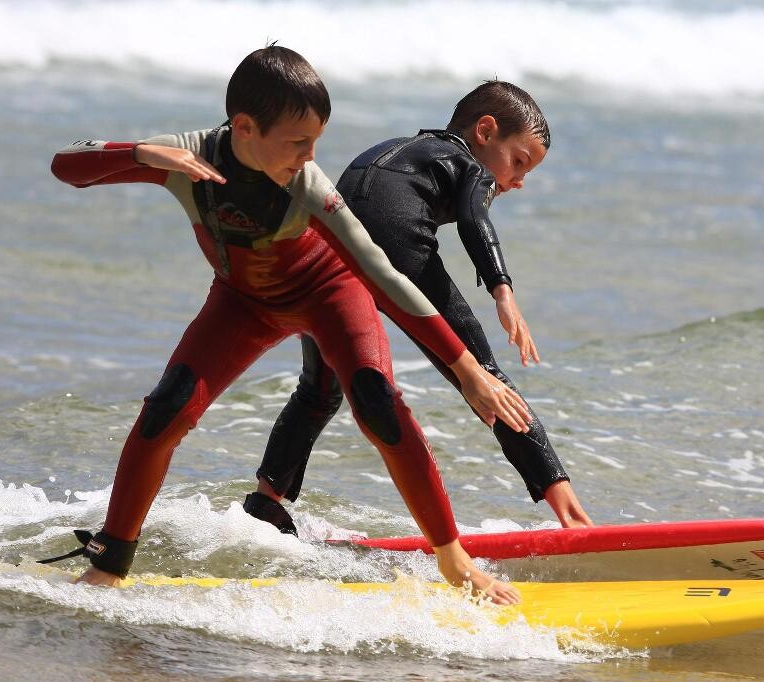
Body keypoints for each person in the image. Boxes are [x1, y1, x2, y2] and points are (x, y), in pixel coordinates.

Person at [44, 46, 531, 604]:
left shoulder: (309, 185)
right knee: (166, 410)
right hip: (243, 302)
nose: (309, 156)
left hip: (330, 293)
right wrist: (143, 155)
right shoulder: (188, 156)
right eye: (298, 143)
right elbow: (66, 165)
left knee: (377, 405)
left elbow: (378, 271)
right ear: (245, 127)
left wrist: (466, 367)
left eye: (317, 142)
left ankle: (454, 559)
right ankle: (111, 561)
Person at [243, 82, 594, 534]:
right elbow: (473, 218)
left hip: (330, 251)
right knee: (483, 376)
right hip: (397, 247)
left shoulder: (402, 149)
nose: (518, 181)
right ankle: (573, 516)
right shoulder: (465, 160)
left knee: (320, 389)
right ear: (485, 131)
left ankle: (265, 502)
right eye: (519, 162)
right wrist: (502, 290)